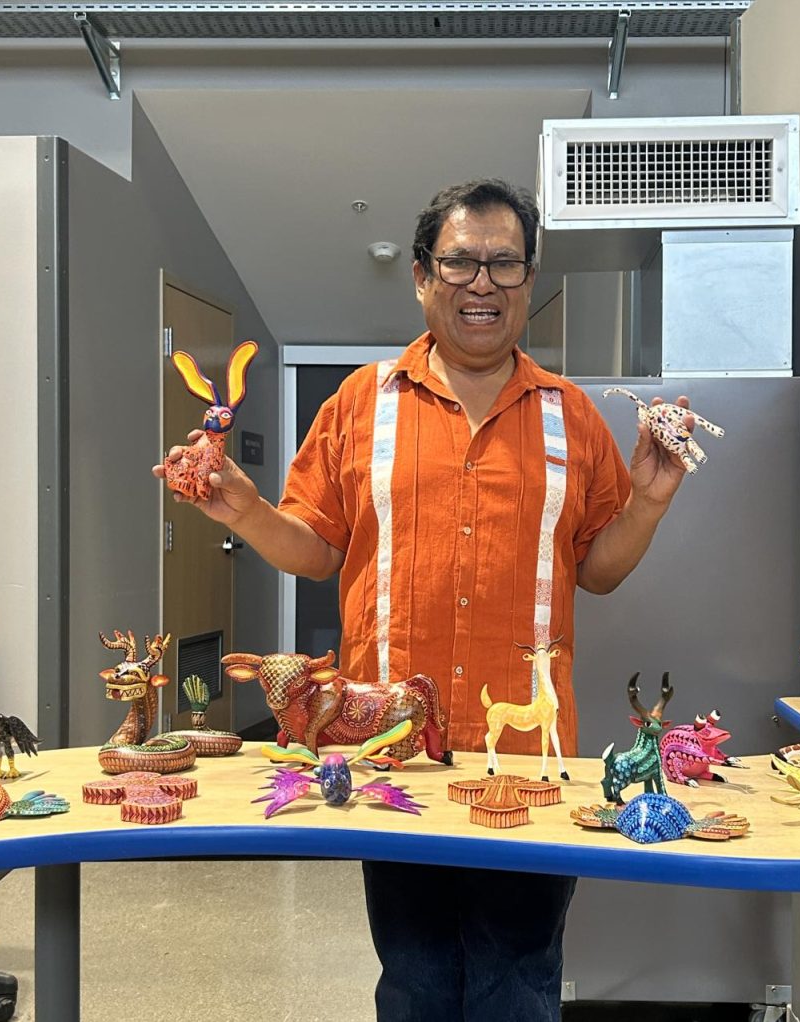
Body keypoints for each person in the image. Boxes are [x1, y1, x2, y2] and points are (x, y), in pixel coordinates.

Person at [154, 178, 692, 1022]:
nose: (483, 283)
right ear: (420, 276)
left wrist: (650, 501)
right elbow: (318, 546)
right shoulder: (360, 405)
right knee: (414, 981)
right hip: (392, 754)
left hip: (525, 765)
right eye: (461, 262)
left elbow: (598, 569)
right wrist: (243, 508)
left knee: (519, 979)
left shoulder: (571, 416)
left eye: (505, 264)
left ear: (529, 278)